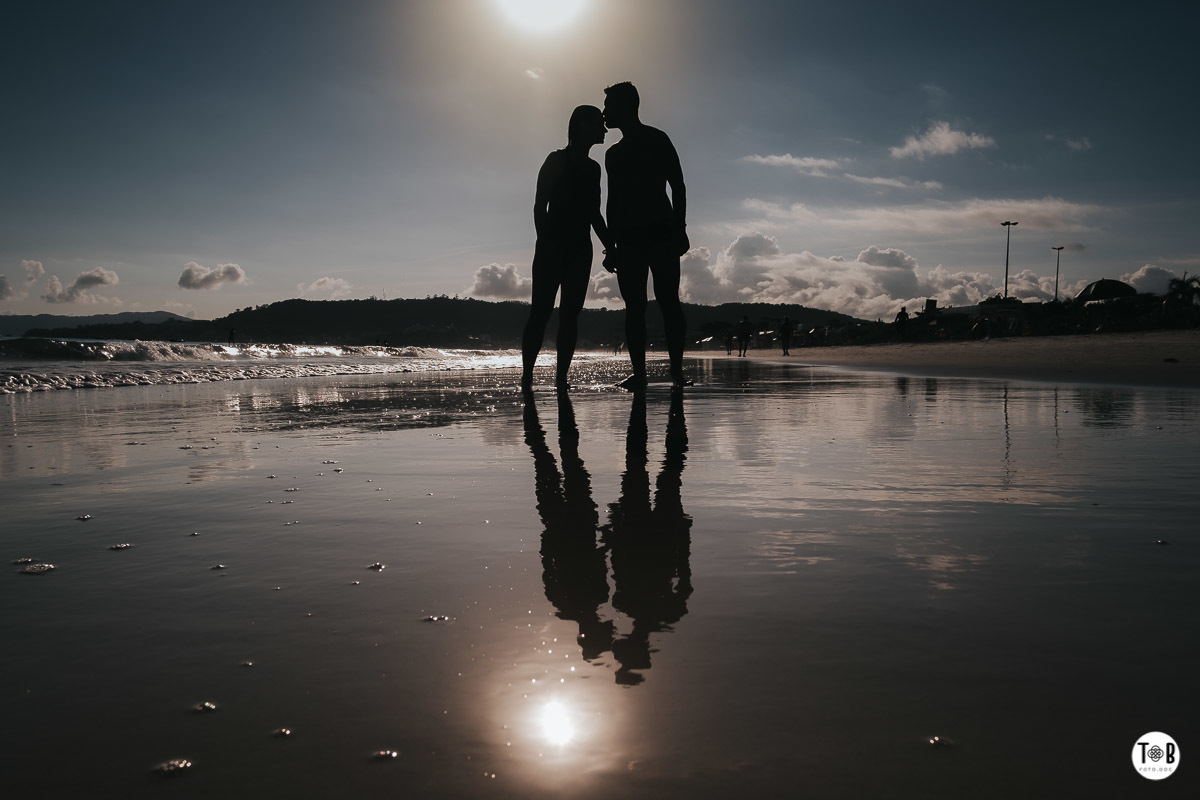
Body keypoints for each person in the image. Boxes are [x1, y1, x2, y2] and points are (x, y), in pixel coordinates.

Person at [521, 105, 616, 391]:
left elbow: (594, 213)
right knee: (540, 311)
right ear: (582, 127)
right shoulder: (556, 160)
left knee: (570, 315)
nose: (604, 129)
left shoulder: (593, 168)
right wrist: (545, 242)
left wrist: (610, 247)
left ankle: (561, 380)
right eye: (599, 124)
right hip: (552, 246)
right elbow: (540, 205)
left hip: (580, 249)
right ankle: (527, 376)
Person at [602, 82, 690, 389]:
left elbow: (677, 186)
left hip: (661, 231)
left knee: (667, 301)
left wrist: (680, 228)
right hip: (629, 238)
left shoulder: (656, 138)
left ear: (625, 107)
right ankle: (641, 374)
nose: (603, 113)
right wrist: (610, 247)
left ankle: (675, 372)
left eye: (608, 106)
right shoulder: (612, 154)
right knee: (635, 306)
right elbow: (612, 202)